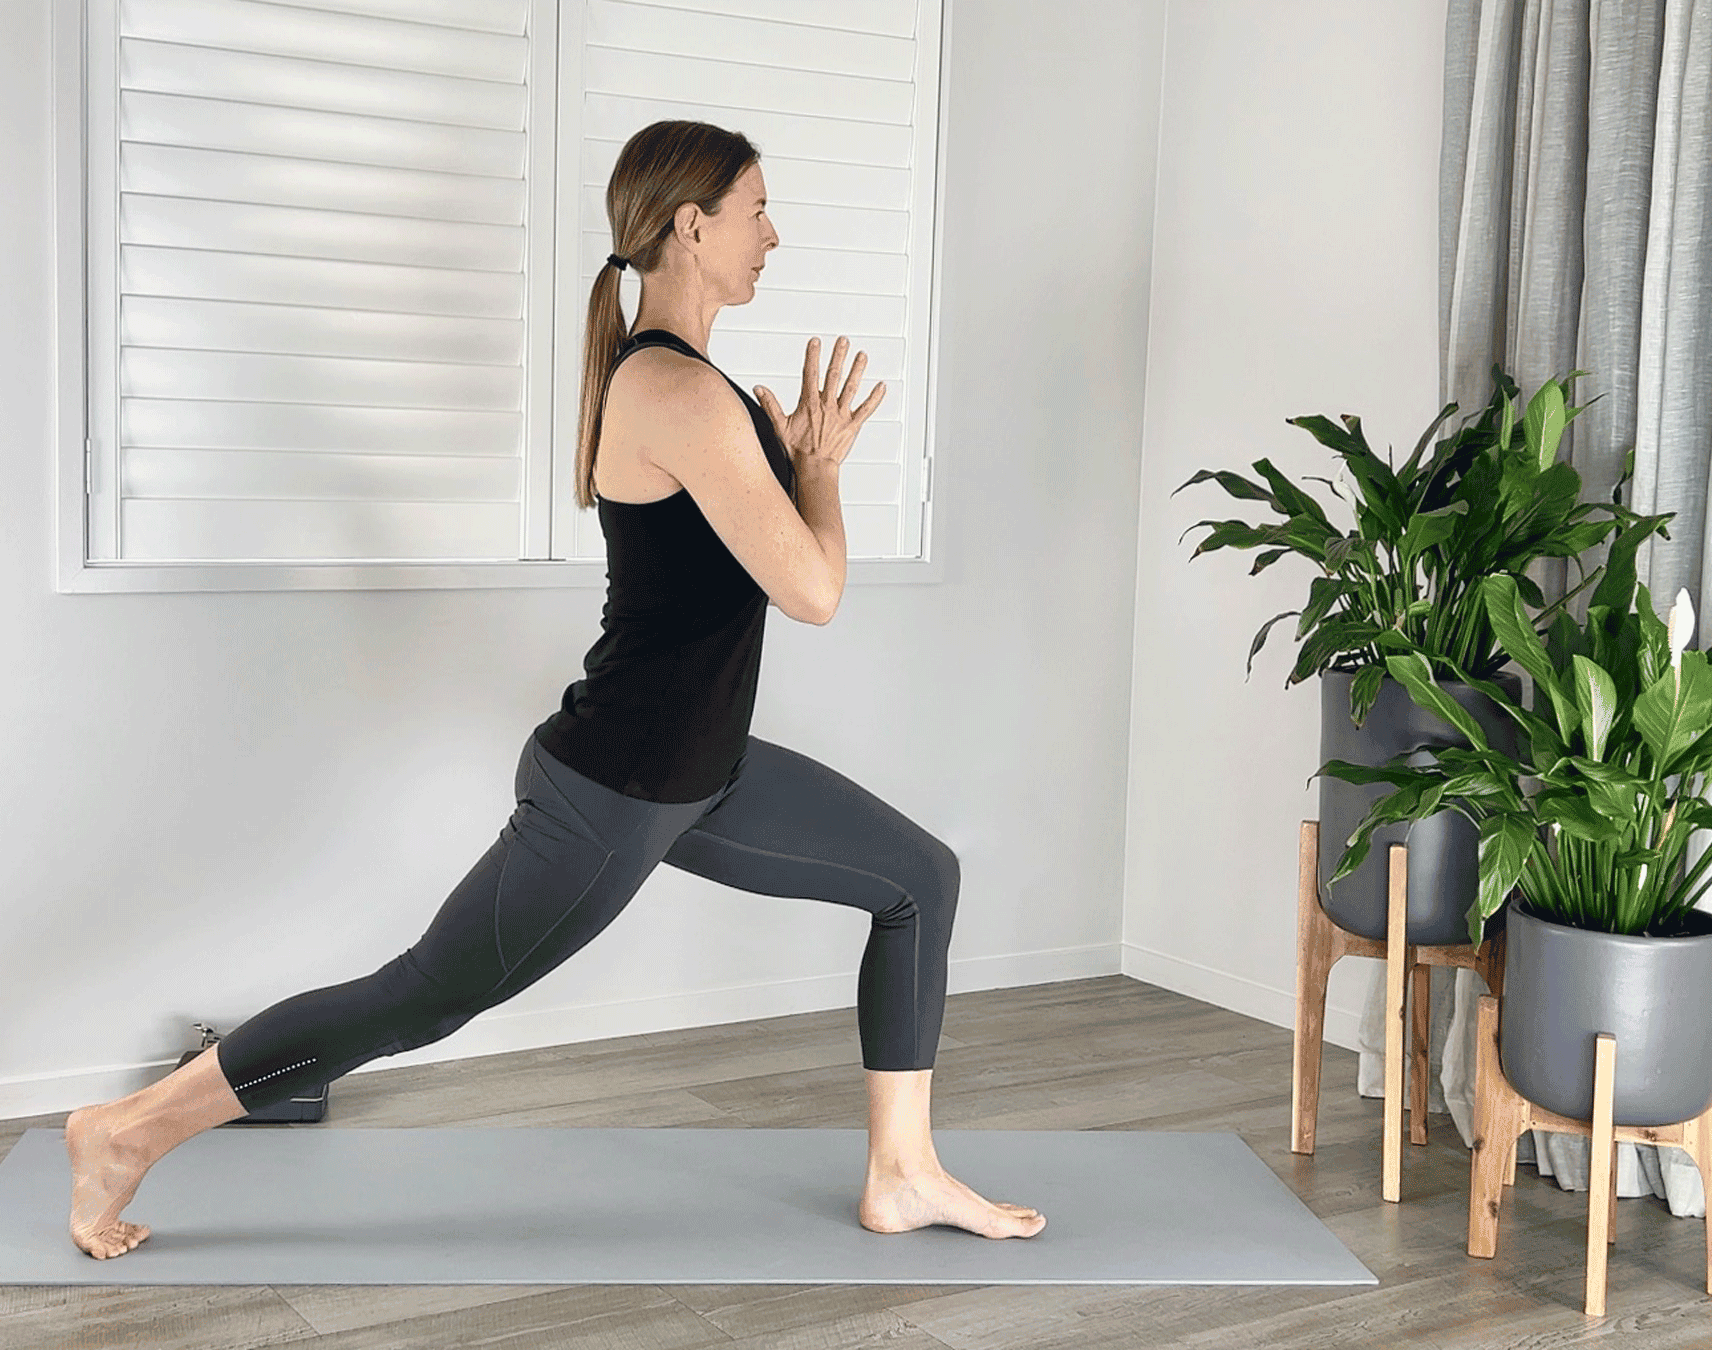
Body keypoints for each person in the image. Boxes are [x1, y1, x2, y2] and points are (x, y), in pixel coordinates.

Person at [63, 119, 1046, 1259]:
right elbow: (815, 591)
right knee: (419, 999)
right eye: (757, 210)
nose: (774, 234)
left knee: (917, 877)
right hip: (619, 787)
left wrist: (803, 471)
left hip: (702, 773)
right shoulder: (673, 390)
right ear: (692, 224)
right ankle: (127, 1130)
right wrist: (819, 472)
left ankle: (904, 1173)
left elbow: (777, 578)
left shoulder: (694, 381)